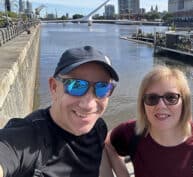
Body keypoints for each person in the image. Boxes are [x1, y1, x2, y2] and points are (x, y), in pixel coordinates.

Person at [0, 45, 119, 177]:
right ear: (54, 87)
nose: (89, 105)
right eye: (76, 86)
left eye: (102, 88)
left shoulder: (98, 127)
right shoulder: (28, 138)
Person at [105, 65, 193, 177]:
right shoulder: (132, 132)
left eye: (171, 97)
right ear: (143, 104)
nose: (161, 105)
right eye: (152, 98)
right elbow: (107, 144)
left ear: (184, 102)